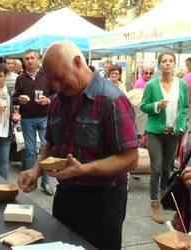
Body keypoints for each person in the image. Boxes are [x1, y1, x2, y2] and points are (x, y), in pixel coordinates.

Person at [19, 41, 139, 250]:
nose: (56, 86)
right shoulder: (57, 101)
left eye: (59, 77)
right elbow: (51, 143)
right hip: (66, 197)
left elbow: (130, 158)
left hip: (102, 203)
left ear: (77, 62)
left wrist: (83, 169)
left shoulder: (111, 100)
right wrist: (36, 170)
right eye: (51, 80)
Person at [140, 51, 189, 224]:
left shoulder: (181, 84)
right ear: (159, 65)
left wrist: (180, 126)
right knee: (156, 169)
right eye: (164, 61)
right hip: (155, 132)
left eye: (170, 61)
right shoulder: (152, 85)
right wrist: (155, 105)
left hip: (173, 133)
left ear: (174, 64)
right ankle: (154, 202)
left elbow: (184, 108)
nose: (167, 63)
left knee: (168, 167)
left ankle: (162, 192)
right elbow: (143, 106)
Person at [13, 49, 54, 195]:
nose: (29, 61)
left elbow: (56, 94)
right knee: (30, 151)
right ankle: (31, 180)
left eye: (32, 58)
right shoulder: (21, 78)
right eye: (26, 59)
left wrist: (48, 100)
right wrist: (20, 99)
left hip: (44, 117)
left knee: (45, 148)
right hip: (28, 118)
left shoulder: (47, 76)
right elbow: (14, 98)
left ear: (39, 60)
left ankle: (46, 182)